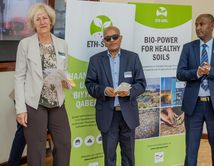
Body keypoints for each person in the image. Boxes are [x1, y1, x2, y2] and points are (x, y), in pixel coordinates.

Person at [14, 3, 71, 166]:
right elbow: (19, 77)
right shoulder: (25, 44)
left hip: (57, 101)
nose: (42, 21)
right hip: (35, 103)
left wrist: (65, 80)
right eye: (37, 19)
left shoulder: (62, 44)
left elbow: (63, 70)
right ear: (33, 24)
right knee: (36, 149)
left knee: (64, 143)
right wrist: (20, 109)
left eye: (45, 18)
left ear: (51, 20)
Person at [176, 14, 214, 166]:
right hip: (193, 106)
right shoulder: (188, 48)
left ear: (212, 25)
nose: (198, 28)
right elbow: (180, 73)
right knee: (191, 149)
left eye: (201, 24)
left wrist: (211, 71)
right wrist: (197, 73)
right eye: (196, 24)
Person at [85, 26, 146, 166]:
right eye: (108, 38)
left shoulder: (133, 58)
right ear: (104, 41)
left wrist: (130, 91)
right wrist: (104, 91)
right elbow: (89, 84)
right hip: (108, 115)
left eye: (115, 37)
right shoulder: (95, 60)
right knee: (109, 158)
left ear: (120, 38)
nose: (112, 40)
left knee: (129, 157)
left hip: (128, 116)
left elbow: (141, 83)